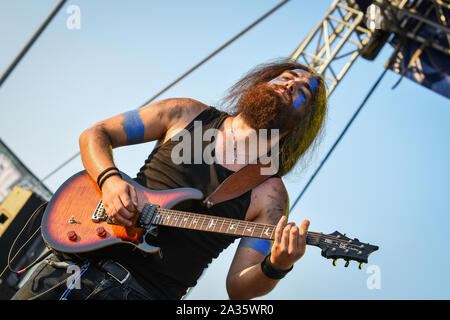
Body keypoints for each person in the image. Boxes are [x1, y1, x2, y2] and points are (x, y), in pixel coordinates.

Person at [12, 59, 327, 300]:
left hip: (145, 293)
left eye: (302, 91)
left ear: (303, 120)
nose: (289, 84)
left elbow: (238, 289)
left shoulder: (270, 195)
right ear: (263, 81)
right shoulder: (185, 114)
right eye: (285, 77)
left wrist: (277, 265)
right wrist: (109, 181)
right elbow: (96, 134)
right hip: (73, 261)